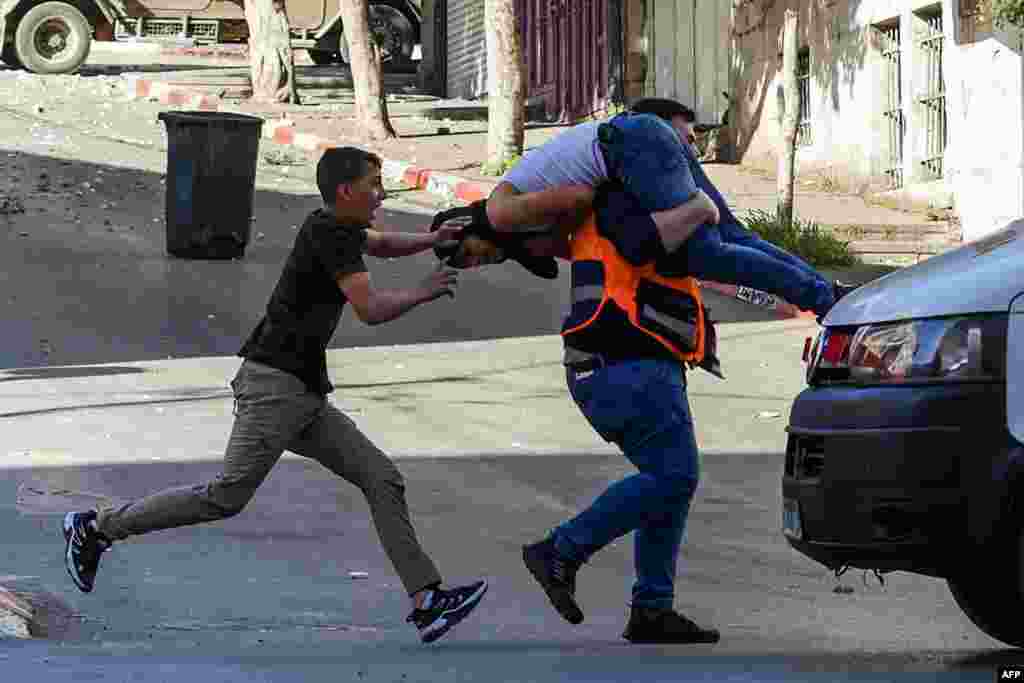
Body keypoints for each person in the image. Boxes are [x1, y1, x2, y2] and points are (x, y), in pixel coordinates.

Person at [62, 146, 487, 644]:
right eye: (374, 183)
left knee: (382, 479)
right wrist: (426, 289)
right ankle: (97, 529)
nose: (382, 192)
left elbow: (384, 243)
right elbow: (370, 309)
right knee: (226, 497)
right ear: (347, 191)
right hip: (273, 387)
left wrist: (431, 239)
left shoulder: (334, 225)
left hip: (302, 392)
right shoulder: (329, 232)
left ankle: (427, 601)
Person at [515, 182, 722, 644]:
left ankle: (652, 607)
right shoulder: (635, 210)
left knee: (668, 480)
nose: (689, 151)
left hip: (613, 368)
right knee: (674, 478)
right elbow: (724, 245)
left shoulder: (604, 208)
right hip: (626, 367)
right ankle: (561, 551)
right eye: (683, 137)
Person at [470, 98, 850, 319]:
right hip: (641, 140)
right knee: (733, 236)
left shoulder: (498, 212)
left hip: (630, 145)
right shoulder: (512, 203)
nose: (478, 263)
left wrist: (557, 238)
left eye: (471, 256)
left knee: (706, 254)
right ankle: (830, 292)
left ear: (470, 231)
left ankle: (824, 302)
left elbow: (581, 200)